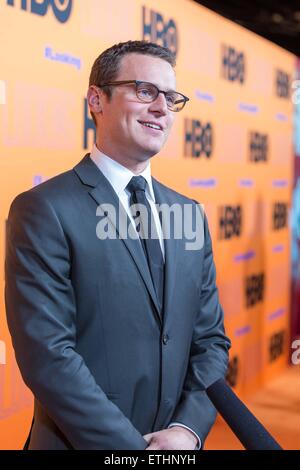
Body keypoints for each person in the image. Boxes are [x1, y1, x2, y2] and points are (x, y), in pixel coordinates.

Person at [5, 40, 231, 450]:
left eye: (172, 97)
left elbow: (211, 341)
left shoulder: (189, 213)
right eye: (145, 91)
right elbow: (49, 357)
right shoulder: (44, 209)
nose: (162, 107)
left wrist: (187, 431)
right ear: (96, 98)